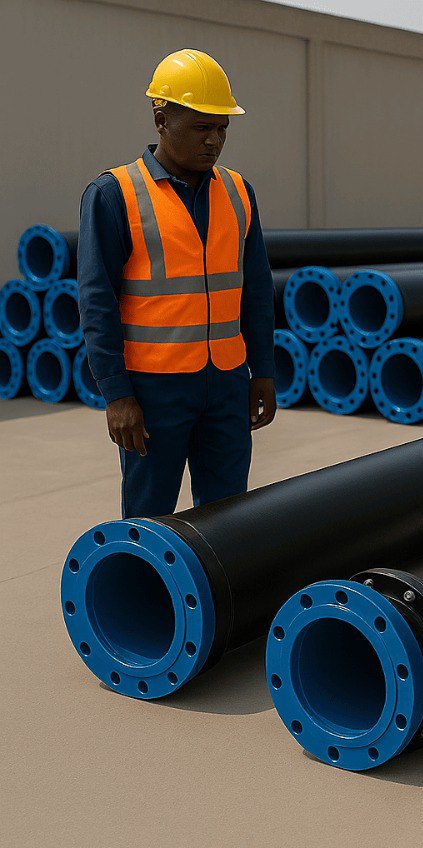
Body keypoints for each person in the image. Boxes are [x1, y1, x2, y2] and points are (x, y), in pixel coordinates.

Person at [78, 49, 276, 519]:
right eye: (202, 127)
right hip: (153, 391)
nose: (214, 140)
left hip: (226, 383)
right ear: (161, 120)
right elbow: (97, 303)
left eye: (222, 128)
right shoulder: (114, 195)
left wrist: (263, 372)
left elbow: (256, 290)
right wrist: (117, 395)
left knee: (228, 517)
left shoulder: (238, 192)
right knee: (149, 519)